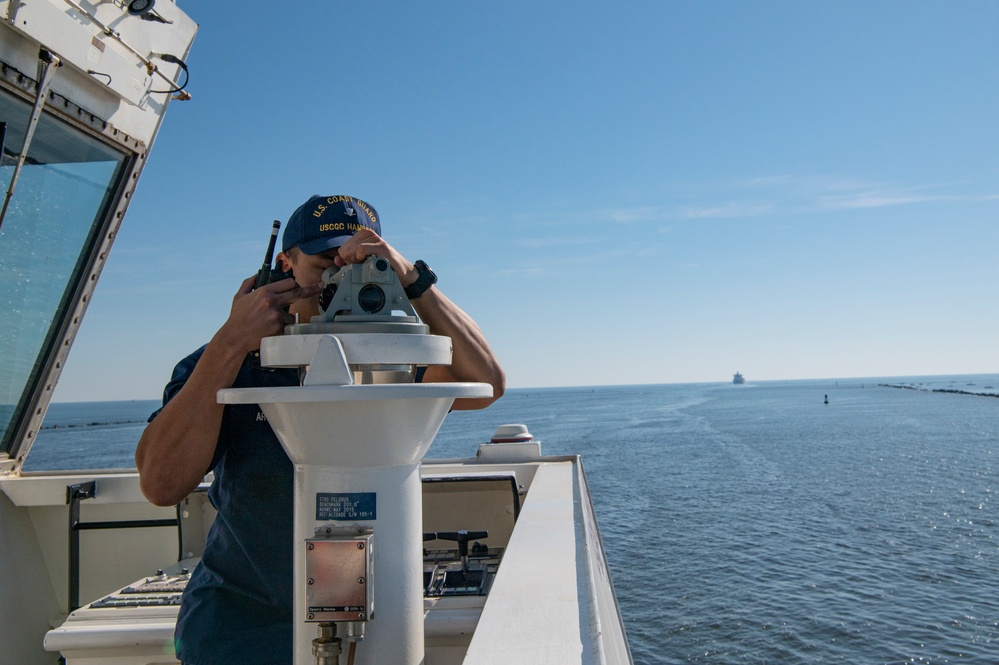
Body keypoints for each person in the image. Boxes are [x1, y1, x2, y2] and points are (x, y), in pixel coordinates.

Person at [135, 194, 505, 665]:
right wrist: (231, 341)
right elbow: (161, 483)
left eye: (359, 263)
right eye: (326, 263)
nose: (340, 277)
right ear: (283, 266)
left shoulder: (386, 365)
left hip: (368, 628)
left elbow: (487, 382)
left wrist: (411, 278)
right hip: (239, 631)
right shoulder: (225, 364)